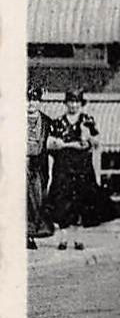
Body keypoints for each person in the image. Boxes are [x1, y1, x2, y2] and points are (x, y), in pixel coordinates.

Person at [45, 89, 114, 243]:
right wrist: (63, 144)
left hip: (82, 166)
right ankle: (63, 238)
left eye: (77, 102)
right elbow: (50, 143)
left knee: (80, 200)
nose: (74, 105)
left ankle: (78, 238)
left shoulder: (87, 121)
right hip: (63, 166)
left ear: (81, 104)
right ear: (66, 103)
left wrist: (87, 135)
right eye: (71, 101)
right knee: (62, 200)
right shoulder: (57, 122)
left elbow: (96, 142)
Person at [26, 84, 55, 248]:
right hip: (19, 164)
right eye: (28, 100)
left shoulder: (46, 122)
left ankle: (32, 232)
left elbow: (52, 145)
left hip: (38, 166)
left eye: (35, 100)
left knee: (36, 199)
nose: (31, 104)